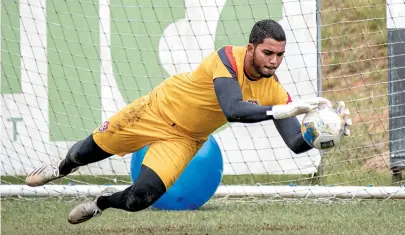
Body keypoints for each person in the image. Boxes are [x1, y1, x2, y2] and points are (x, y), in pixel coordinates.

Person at [26, 19, 351, 224]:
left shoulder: (275, 91)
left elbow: (295, 144)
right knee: (86, 152)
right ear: (251, 48)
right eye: (268, 53)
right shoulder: (226, 58)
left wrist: (323, 133)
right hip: (155, 111)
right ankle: (59, 170)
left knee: (141, 199)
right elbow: (233, 110)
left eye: (280, 55)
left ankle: (100, 203)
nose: (274, 62)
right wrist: (286, 111)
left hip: (185, 139)